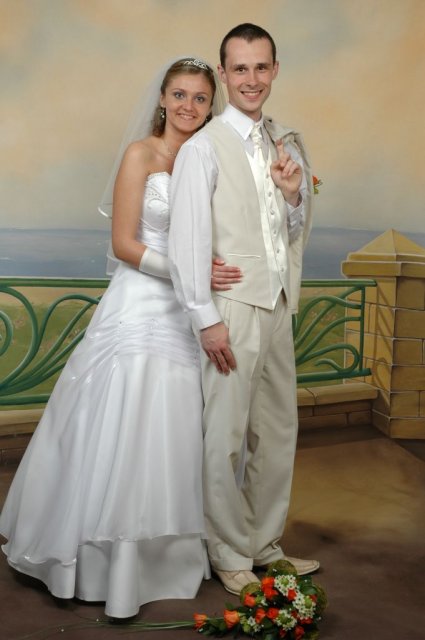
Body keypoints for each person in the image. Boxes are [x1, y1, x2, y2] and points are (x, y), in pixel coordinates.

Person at [0, 57, 234, 618]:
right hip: (141, 304)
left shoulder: (208, 159)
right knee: (126, 419)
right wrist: (191, 273)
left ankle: (165, 558)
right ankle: (101, 563)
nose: (188, 106)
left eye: (200, 98)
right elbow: (125, 245)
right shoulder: (141, 155)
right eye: (179, 95)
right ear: (162, 99)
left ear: (211, 107)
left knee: (176, 425)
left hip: (190, 313)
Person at [168, 25, 319, 596]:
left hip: (278, 303)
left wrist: (292, 194)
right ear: (224, 74)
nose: (251, 79)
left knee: (277, 431)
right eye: (240, 69)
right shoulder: (202, 148)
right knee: (225, 436)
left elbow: (291, 232)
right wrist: (205, 319)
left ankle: (263, 543)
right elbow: (187, 242)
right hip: (231, 308)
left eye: (261, 67)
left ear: (274, 70)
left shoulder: (285, 142)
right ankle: (229, 551)